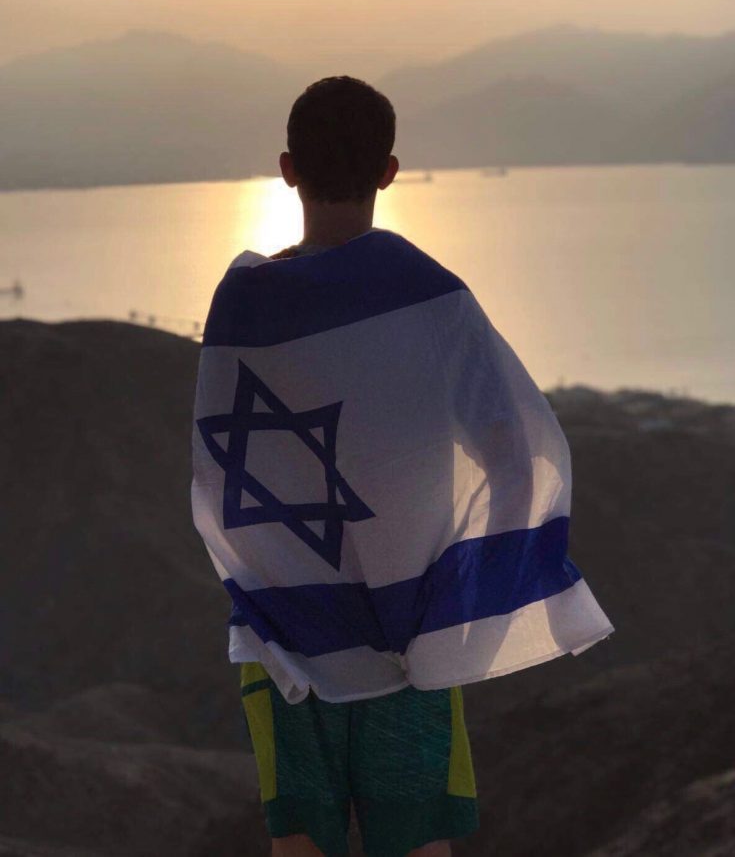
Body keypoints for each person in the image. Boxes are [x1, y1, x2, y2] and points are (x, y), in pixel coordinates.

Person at [191, 76, 614, 857]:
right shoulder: (429, 300)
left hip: (284, 640)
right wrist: (464, 589)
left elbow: (220, 478)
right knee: (417, 846)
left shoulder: (242, 302)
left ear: (287, 168)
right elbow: (523, 455)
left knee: (299, 849)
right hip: (405, 644)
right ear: (390, 170)